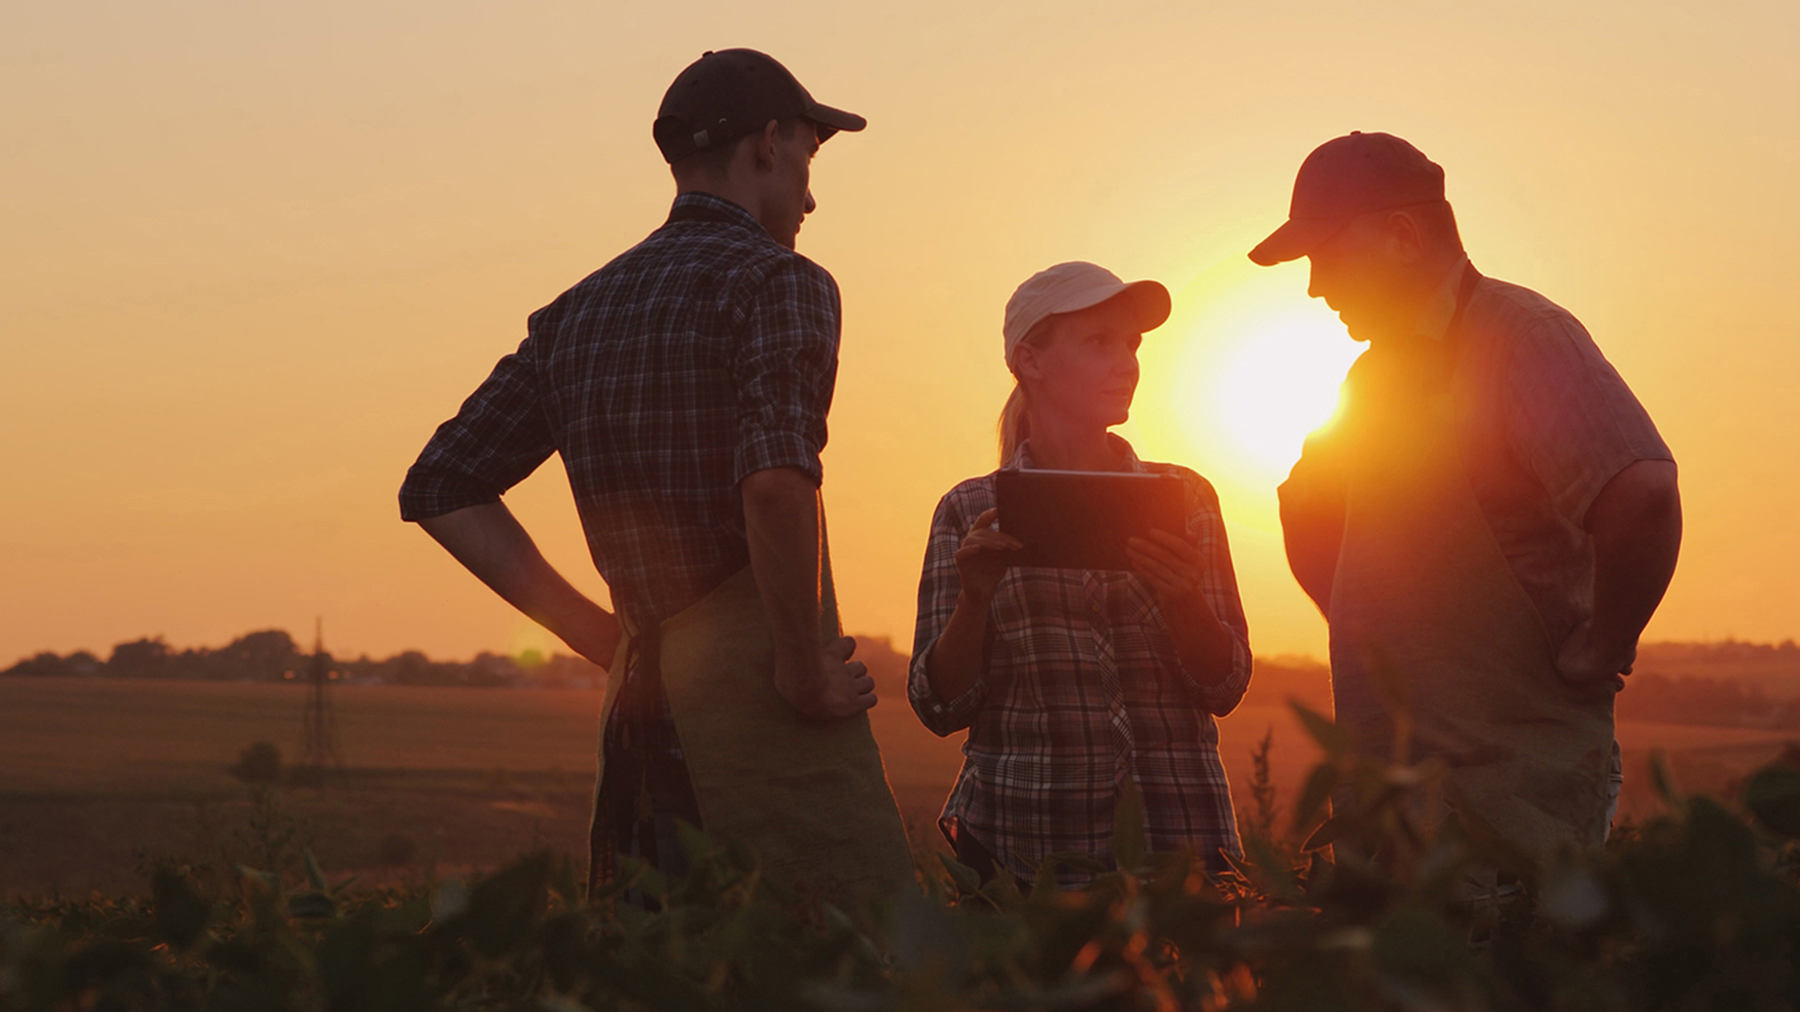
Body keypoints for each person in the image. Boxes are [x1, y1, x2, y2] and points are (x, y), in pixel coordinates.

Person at [398, 49, 913, 902]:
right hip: (762, 724)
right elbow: (777, 483)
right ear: (769, 143)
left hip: (640, 727)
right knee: (829, 962)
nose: (812, 197)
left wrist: (602, 637)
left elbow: (442, 485)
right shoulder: (779, 281)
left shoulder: (575, 312)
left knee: (655, 973)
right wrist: (800, 665)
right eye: (808, 162)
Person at [1251, 132, 1681, 861]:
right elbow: (1305, 509)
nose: (1315, 286)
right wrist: (1366, 628)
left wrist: (1606, 644)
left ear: (1401, 235)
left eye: (1325, 255)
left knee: (1521, 969)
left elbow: (1641, 494)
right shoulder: (1371, 379)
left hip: (1516, 795)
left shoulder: (1524, 340)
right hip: (1389, 797)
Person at [908, 262, 1254, 887]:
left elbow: (1225, 685)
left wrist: (1182, 599)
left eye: (1132, 344)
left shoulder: (1188, 498)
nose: (1127, 363)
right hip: (1024, 857)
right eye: (1100, 342)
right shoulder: (967, 512)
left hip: (1181, 853)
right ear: (1029, 361)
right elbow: (938, 705)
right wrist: (975, 600)